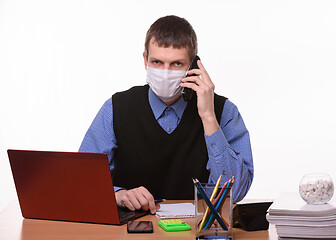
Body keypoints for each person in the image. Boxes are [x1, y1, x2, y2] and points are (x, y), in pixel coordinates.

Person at [79, 15, 253, 215]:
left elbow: (236, 192)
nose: (165, 71)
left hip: (196, 230)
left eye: (177, 64)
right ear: (145, 60)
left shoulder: (224, 111)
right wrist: (118, 195)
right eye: (157, 62)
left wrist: (208, 117)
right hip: (133, 231)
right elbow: (83, 181)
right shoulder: (115, 108)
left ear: (194, 65)